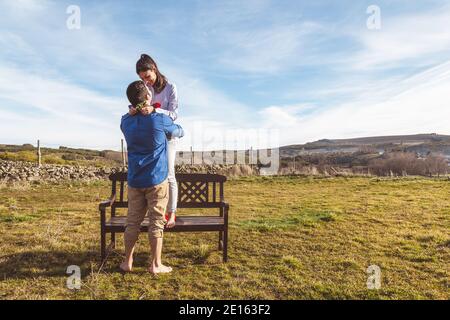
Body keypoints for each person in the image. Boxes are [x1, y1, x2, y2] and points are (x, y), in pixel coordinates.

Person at [120, 80, 184, 274]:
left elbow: (125, 117)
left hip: (135, 180)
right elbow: (179, 131)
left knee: (132, 222)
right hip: (156, 180)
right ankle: (156, 264)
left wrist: (132, 111)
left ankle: (127, 261)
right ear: (148, 97)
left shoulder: (125, 121)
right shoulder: (158, 120)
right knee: (156, 222)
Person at [129, 54, 179, 228]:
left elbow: (173, 115)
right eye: (142, 78)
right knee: (154, 176)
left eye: (148, 76)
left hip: (168, 137)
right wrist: (135, 109)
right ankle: (155, 214)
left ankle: (171, 213)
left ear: (154, 70)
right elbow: (138, 102)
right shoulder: (145, 88)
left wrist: (155, 111)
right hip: (151, 137)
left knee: (170, 174)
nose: (146, 81)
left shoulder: (171, 88)